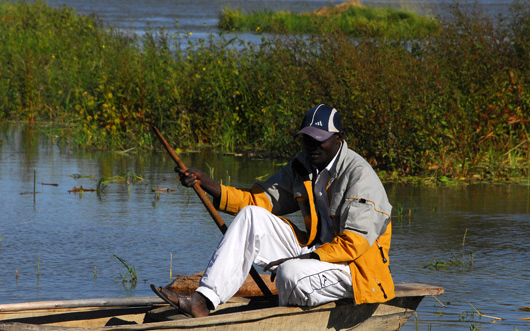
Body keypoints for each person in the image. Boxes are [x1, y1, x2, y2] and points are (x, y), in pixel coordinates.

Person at [151, 104, 395, 317]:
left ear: (339, 137)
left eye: (320, 139)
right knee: (250, 217)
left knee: (290, 272)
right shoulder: (302, 167)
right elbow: (256, 202)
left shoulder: (359, 175)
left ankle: (280, 323)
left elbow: (354, 244)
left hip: (356, 268)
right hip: (316, 253)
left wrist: (304, 258)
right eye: (307, 138)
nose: (313, 146)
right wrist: (207, 183)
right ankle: (203, 300)